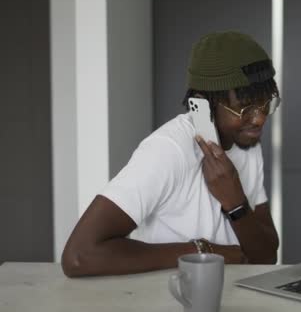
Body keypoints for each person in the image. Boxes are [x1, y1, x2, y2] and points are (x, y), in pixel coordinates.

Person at [61, 31, 280, 277]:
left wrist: (236, 204)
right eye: (244, 108)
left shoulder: (247, 145)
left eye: (265, 103)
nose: (260, 118)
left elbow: (266, 256)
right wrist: (205, 253)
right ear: (202, 102)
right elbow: (78, 256)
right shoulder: (168, 149)